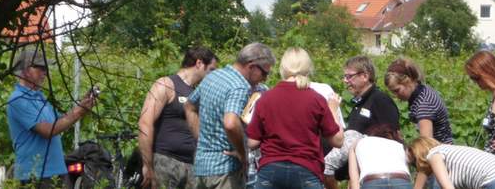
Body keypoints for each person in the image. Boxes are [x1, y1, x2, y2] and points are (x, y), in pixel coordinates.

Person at [246, 47, 344, 189]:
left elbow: (252, 142)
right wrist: (333, 109)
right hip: (306, 169)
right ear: (308, 68)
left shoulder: (265, 98)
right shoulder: (316, 99)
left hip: (270, 169)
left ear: (283, 68)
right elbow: (338, 141)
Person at [185, 42, 275, 189]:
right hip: (225, 171)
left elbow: (189, 106)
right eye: (264, 73)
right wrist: (242, 153)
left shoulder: (213, 76)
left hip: (202, 167)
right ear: (251, 66)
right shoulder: (240, 87)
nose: (265, 78)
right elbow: (231, 123)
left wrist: (200, 138)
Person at [7, 45, 96, 188]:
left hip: (56, 171)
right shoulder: (18, 99)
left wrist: (81, 106)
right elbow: (48, 131)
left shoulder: (39, 96)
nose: (45, 73)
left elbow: (60, 121)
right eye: (41, 68)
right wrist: (79, 111)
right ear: (26, 71)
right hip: (35, 175)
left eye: (46, 69)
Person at [138, 47, 219, 189]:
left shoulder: (196, 93)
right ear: (199, 63)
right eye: (211, 70)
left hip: (192, 166)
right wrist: (147, 165)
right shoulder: (166, 85)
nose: (213, 75)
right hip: (165, 162)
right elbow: (145, 123)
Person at [324, 56, 400, 189]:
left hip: (377, 174)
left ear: (364, 76)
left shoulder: (380, 100)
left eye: (349, 77)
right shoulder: (358, 104)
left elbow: (392, 136)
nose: (345, 81)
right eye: (345, 77)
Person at [384, 58, 452, 189]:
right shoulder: (423, 90)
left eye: (397, 90)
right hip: (440, 158)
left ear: (408, 81)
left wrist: (417, 187)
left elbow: (427, 151)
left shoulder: (423, 105)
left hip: (440, 162)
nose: (395, 96)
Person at [408, 137, 495, 189]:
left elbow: (447, 187)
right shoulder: (452, 154)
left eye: (415, 163)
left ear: (420, 156)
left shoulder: (434, 154)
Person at [348, 124, 411, 189]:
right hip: (401, 180)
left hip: (373, 181)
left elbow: (354, 180)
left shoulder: (358, 143)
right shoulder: (399, 145)